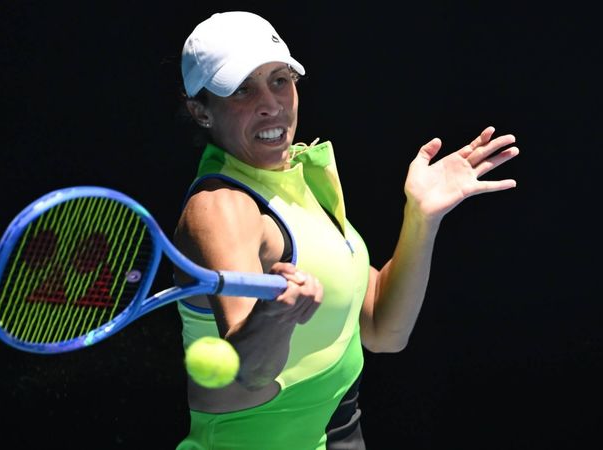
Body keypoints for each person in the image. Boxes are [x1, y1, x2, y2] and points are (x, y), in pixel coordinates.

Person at [171, 11, 519, 450]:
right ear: (200, 111)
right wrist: (274, 318)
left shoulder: (298, 177)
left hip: (340, 431)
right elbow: (251, 370)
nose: (271, 103)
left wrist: (421, 217)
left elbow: (383, 330)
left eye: (280, 79)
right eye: (242, 89)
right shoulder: (222, 207)